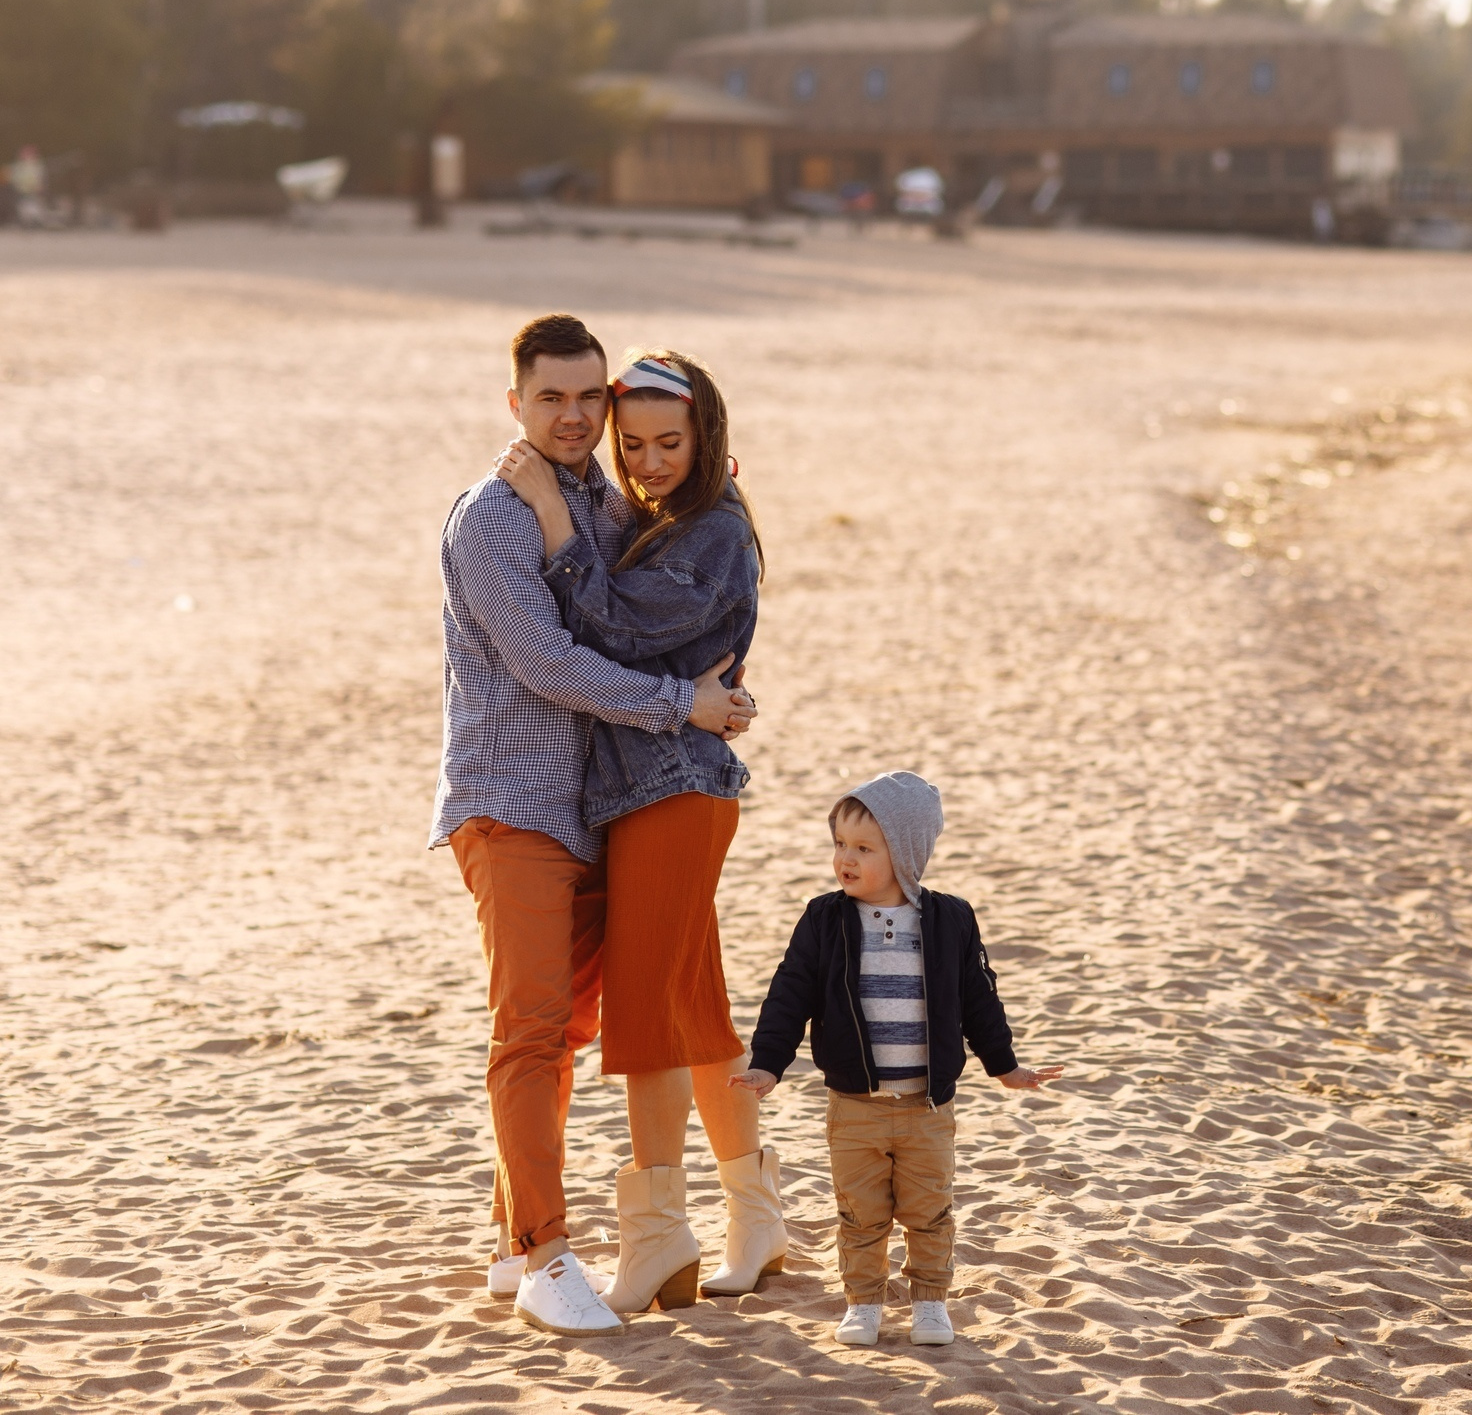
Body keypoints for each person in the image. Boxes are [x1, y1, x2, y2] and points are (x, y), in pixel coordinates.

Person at [435, 314, 757, 1338]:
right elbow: (552, 663)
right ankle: (544, 1254)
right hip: (511, 803)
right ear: (516, 404)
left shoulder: (597, 503)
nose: (572, 417)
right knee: (532, 1032)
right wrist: (685, 707)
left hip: (589, 809)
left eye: (589, 398)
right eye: (551, 399)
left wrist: (712, 687)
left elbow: (661, 607)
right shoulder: (493, 516)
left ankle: (504, 1239)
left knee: (563, 1033)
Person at [736, 771, 1062, 1348]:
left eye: (864, 848)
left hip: (927, 1106)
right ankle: (863, 1303)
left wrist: (1006, 1066)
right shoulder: (823, 918)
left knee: (929, 1210)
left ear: (906, 853)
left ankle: (930, 1303)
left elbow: (978, 999)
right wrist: (768, 1063)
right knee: (860, 1214)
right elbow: (790, 993)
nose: (845, 858)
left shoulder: (950, 920)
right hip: (854, 1106)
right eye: (839, 844)